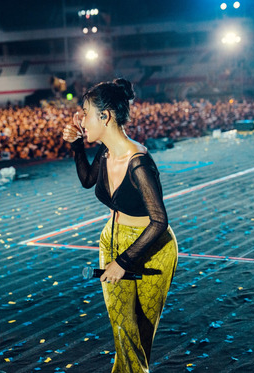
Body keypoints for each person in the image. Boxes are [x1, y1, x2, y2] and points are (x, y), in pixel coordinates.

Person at [62, 78, 178, 372]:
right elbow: (89, 180)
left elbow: (160, 221)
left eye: (85, 112)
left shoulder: (137, 161)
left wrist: (124, 262)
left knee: (140, 332)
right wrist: (77, 146)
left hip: (152, 247)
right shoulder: (105, 152)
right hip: (111, 241)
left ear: (105, 116)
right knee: (122, 329)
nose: (81, 119)